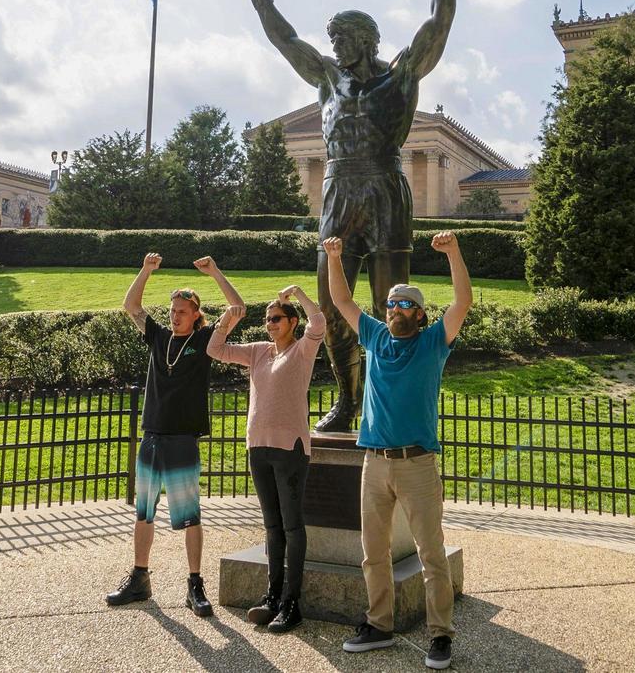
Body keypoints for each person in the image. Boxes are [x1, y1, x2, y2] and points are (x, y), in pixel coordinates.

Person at [231, 0, 461, 432]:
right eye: (332, 37)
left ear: (366, 39)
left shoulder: (400, 74)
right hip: (337, 194)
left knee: (388, 308)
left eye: (342, 38)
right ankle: (347, 402)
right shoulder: (328, 79)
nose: (334, 45)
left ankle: (385, 400)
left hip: (384, 189)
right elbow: (285, 38)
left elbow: (438, 25)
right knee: (334, 310)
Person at [325, 231, 472, 671]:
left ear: (420, 314)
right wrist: (334, 257)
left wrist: (454, 253)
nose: (395, 309)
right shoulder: (375, 337)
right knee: (373, 551)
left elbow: (463, 302)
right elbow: (343, 302)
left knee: (430, 553)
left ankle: (440, 635)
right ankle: (379, 625)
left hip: (417, 464)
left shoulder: (432, 343)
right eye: (391, 303)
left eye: (405, 304)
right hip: (374, 462)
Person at [106, 253, 245, 617]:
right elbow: (130, 306)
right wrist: (145, 271)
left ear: (196, 314)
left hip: (183, 439)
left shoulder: (204, 343)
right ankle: (139, 578)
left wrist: (215, 272)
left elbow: (237, 308)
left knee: (190, 516)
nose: (174, 315)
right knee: (143, 513)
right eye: (172, 310)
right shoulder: (158, 337)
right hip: (152, 435)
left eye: (182, 310)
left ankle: (194, 585)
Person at [206, 283, 326, 634]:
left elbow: (318, 322)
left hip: (290, 449)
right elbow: (216, 349)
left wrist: (299, 295)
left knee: (291, 525)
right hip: (258, 446)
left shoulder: (303, 350)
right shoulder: (258, 351)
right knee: (272, 526)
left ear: (291, 322)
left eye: (276, 319)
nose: (270, 324)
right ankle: (273, 595)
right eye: (268, 320)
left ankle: (292, 602)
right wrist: (228, 317)